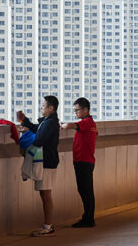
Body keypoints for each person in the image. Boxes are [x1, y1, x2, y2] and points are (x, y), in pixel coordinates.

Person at [19, 95, 61, 237]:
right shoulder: (48, 122)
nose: (41, 108)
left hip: (47, 162)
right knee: (44, 193)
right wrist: (26, 122)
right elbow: (37, 128)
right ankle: (47, 225)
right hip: (48, 161)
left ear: (51, 108)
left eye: (43, 106)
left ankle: (48, 227)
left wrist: (27, 134)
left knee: (46, 194)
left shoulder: (50, 123)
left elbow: (39, 140)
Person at [61, 97, 98, 228]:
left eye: (77, 110)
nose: (75, 113)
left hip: (83, 161)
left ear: (86, 110)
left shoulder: (86, 122)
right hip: (86, 160)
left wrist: (62, 125)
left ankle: (88, 219)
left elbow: (72, 125)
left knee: (85, 191)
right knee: (87, 190)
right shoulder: (91, 123)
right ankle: (88, 217)